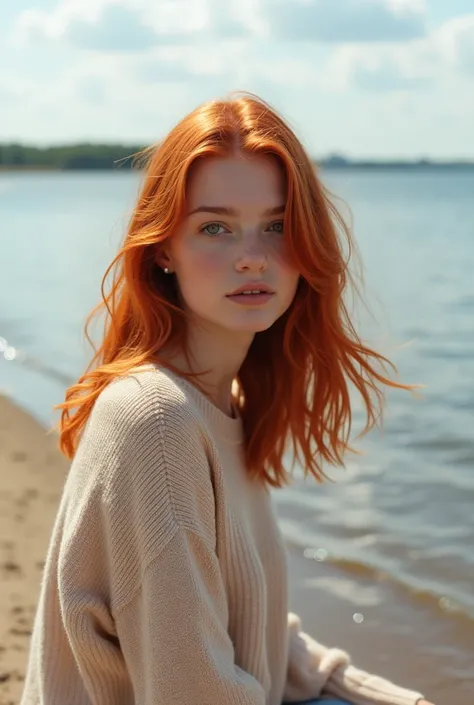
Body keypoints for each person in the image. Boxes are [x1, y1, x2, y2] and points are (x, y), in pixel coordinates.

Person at [20, 93, 433, 705]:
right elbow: (194, 690)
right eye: (215, 227)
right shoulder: (154, 420)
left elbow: (254, 632)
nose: (252, 257)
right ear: (163, 247)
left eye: (278, 226)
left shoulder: (222, 398)